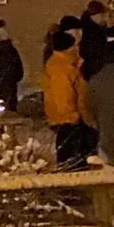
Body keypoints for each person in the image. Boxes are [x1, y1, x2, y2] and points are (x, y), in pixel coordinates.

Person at [46, 29, 95, 169]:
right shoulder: (62, 69)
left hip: (72, 120)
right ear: (68, 48)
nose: (77, 48)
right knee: (73, 164)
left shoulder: (66, 65)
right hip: (70, 123)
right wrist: (74, 118)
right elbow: (64, 97)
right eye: (75, 46)